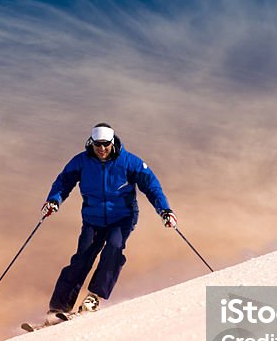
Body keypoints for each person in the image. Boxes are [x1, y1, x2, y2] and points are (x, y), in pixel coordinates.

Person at [38, 123, 177, 327]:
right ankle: (58, 308)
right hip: (93, 220)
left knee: (113, 249)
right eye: (97, 145)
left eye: (105, 144)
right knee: (81, 259)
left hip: (122, 218)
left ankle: (94, 297)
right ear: (91, 143)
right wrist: (54, 200)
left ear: (113, 143)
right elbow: (63, 182)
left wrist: (165, 210)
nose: (102, 149)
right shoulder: (82, 162)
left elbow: (152, 186)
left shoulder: (129, 162)